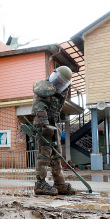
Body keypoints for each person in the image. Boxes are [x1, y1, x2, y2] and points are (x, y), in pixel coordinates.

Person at [31, 66, 76, 196]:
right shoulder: (43, 88)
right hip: (42, 124)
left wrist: (54, 126)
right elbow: (39, 108)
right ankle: (40, 184)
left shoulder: (61, 91)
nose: (60, 83)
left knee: (56, 155)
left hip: (54, 124)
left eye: (63, 82)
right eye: (59, 80)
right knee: (44, 154)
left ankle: (59, 183)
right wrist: (45, 126)